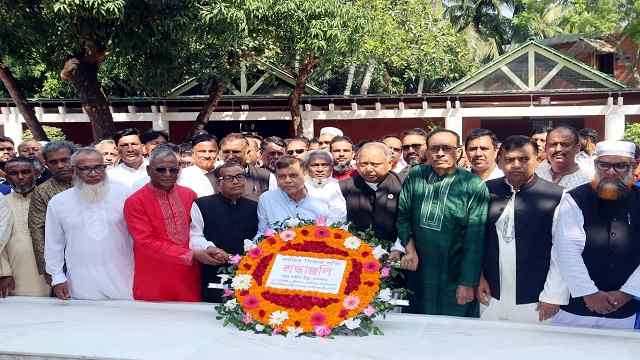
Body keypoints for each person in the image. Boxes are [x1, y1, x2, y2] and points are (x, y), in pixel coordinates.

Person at [396, 128, 489, 317]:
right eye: (434, 148)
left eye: (446, 148)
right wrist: (410, 250)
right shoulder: (416, 176)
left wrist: (467, 282)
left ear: (459, 151)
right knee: (417, 326)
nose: (440, 153)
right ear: (427, 152)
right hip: (419, 271)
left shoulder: (473, 185)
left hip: (455, 274)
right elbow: (403, 217)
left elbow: (475, 239)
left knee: (455, 332)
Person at [478, 135, 567, 323]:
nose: (516, 164)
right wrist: (478, 277)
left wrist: (553, 295)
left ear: (538, 158)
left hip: (536, 297)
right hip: (491, 293)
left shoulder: (556, 196)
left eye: (524, 159)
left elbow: (562, 250)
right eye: (509, 160)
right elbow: (476, 239)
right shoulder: (485, 190)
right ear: (500, 162)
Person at [552, 140, 640, 329]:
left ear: (634, 166)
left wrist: (626, 293)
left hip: (624, 308)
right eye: (604, 164)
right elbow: (567, 250)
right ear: (595, 164)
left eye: (620, 166)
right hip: (576, 308)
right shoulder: (574, 198)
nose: (611, 172)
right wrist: (588, 293)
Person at [124, 146, 219, 302]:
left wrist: (207, 248)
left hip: (188, 276)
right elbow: (145, 242)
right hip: (154, 278)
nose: (167, 174)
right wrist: (191, 254)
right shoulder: (135, 201)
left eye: (173, 170)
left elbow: (196, 232)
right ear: (148, 170)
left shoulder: (189, 195)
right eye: (161, 170)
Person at [45, 148, 133, 300]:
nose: (93, 173)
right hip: (81, 282)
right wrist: (57, 277)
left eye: (98, 167)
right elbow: (53, 245)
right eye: (85, 168)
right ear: (74, 170)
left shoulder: (125, 194)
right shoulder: (59, 202)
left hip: (123, 279)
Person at [192, 159, 259, 302]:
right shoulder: (202, 205)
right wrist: (210, 248)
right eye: (229, 178)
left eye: (240, 177)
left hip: (246, 273)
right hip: (213, 270)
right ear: (218, 183)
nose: (236, 182)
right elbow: (195, 236)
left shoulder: (255, 207)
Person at [256, 156, 343, 237]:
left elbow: (334, 233)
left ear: (305, 174)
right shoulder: (267, 199)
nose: (287, 180)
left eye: (293, 175)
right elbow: (262, 233)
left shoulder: (324, 197)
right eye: (282, 177)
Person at [0, 158, 50, 297]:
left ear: (35, 173)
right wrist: (3, 273)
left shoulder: (49, 200)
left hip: (49, 272)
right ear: (7, 176)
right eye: (14, 173)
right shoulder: (2, 203)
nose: (20, 177)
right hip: (13, 272)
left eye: (26, 172)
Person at [28, 141, 76, 279]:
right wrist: (48, 269)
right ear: (46, 164)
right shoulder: (42, 191)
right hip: (62, 258)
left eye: (65, 160)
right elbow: (37, 229)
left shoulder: (90, 183)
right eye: (53, 162)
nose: (60, 166)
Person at [340, 142, 402, 246]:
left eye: (375, 164)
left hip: (395, 249)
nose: (369, 169)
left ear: (390, 164)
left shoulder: (402, 185)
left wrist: (398, 248)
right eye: (363, 164)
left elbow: (408, 223)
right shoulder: (344, 187)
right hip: (355, 249)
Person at [207, 133, 272, 201]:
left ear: (247, 153)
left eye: (236, 152)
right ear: (220, 153)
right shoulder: (208, 179)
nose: (230, 156)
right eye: (226, 152)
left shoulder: (266, 177)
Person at [303, 150, 347, 222]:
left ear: (332, 167)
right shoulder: (300, 187)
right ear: (307, 167)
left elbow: (339, 215)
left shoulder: (339, 186)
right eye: (315, 165)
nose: (320, 169)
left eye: (324, 165)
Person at [176, 133, 218, 197]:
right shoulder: (182, 176)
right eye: (202, 151)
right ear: (193, 154)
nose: (207, 156)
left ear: (218, 153)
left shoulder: (224, 171)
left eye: (211, 151)